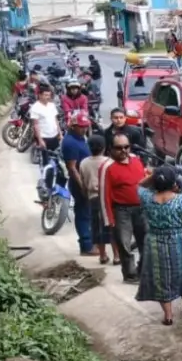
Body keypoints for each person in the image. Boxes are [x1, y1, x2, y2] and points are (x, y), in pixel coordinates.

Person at [137, 164, 182, 325]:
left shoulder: (147, 198)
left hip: (155, 241)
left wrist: (153, 175)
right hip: (179, 241)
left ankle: (168, 315)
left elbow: (140, 185)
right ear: (173, 183)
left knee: (161, 277)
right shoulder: (181, 201)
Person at [99, 134, 149, 282]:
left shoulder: (136, 160)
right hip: (121, 211)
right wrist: (108, 219)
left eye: (126, 147)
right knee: (124, 243)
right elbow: (104, 195)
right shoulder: (107, 167)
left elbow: (144, 182)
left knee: (146, 241)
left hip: (141, 208)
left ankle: (144, 270)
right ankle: (130, 274)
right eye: (119, 148)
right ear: (111, 149)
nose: (123, 150)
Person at [61, 111, 95, 257]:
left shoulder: (81, 138)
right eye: (81, 126)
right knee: (82, 213)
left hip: (87, 179)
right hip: (79, 182)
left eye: (86, 126)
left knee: (88, 213)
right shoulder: (70, 142)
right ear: (73, 126)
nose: (84, 129)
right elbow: (72, 168)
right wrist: (83, 187)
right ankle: (86, 246)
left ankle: (90, 242)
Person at [80, 134, 116, 264]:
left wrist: (86, 193)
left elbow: (83, 182)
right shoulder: (109, 162)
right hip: (108, 198)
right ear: (104, 147)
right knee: (111, 225)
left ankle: (102, 255)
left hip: (93, 197)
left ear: (89, 147)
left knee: (97, 227)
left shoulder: (84, 163)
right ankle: (117, 256)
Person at [29, 85, 62, 154]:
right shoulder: (35, 107)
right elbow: (36, 125)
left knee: (56, 157)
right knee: (46, 160)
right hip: (44, 137)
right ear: (40, 95)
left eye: (49, 95)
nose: (48, 97)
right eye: (46, 95)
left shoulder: (52, 105)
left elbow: (55, 120)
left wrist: (60, 133)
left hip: (54, 135)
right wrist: (40, 140)